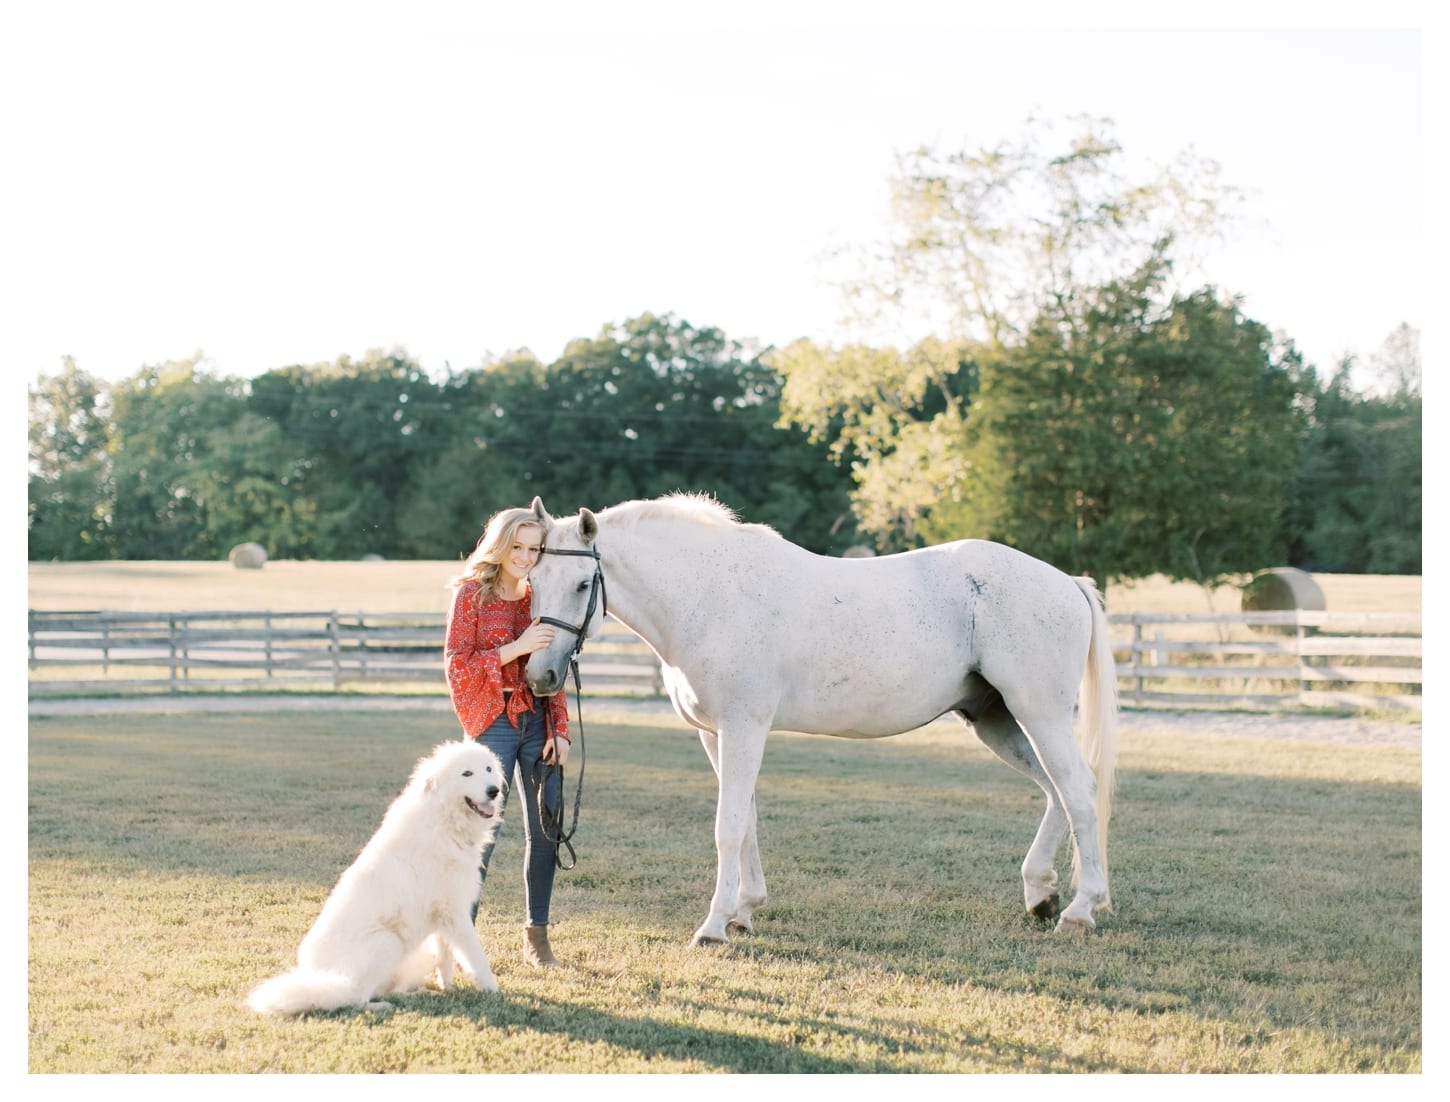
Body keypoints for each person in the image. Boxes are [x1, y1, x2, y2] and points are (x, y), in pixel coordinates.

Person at [444, 506, 571, 969]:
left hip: (538, 721)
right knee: (481, 834)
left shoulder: (543, 597)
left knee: (546, 831)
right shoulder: (471, 596)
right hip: (492, 720)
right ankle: (462, 938)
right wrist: (515, 649)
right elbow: (457, 664)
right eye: (517, 546)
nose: (525, 556)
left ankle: (537, 936)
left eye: (534, 548)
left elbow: (556, 667)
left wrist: (560, 728)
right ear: (499, 544)